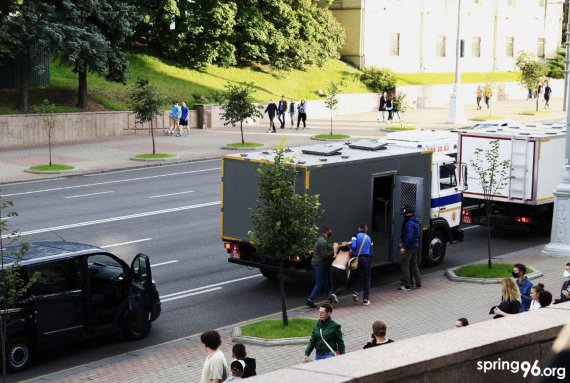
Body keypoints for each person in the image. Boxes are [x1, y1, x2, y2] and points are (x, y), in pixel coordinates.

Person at [306, 226, 334, 308]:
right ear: (326, 232)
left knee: (325, 281)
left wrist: (332, 246)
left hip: (316, 263)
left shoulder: (321, 240)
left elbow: (326, 247)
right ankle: (310, 300)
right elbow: (324, 256)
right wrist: (334, 251)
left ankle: (330, 298)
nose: (330, 234)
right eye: (330, 232)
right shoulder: (323, 242)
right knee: (319, 283)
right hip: (319, 264)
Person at [398, 205, 421, 291]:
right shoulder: (415, 220)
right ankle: (418, 283)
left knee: (405, 265)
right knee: (414, 264)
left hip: (409, 247)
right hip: (415, 245)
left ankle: (407, 285)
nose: (404, 215)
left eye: (405, 213)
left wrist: (404, 246)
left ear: (409, 213)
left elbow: (409, 236)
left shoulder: (409, 223)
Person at [351, 224, 373, 306]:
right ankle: (365, 300)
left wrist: (352, 250)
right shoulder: (369, 238)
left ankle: (356, 292)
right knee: (367, 279)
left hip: (357, 259)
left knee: (358, 276)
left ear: (359, 228)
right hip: (366, 259)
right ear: (365, 229)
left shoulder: (355, 235)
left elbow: (353, 246)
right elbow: (371, 252)